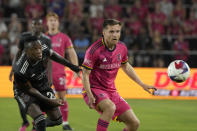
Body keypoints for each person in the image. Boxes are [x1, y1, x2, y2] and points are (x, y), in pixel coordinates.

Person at [82, 19, 157, 131]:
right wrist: (89, 94)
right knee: (110, 107)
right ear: (104, 32)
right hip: (94, 89)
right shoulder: (94, 50)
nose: (115, 34)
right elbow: (85, 74)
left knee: (134, 123)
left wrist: (142, 84)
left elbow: (126, 66)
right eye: (111, 31)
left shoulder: (122, 47)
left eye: (118, 31)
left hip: (112, 91)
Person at [13, 39, 81, 131]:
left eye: (39, 48)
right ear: (28, 51)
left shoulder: (43, 49)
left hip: (41, 84)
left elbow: (53, 56)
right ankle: (38, 123)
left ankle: (36, 126)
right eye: (35, 49)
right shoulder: (21, 70)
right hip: (24, 91)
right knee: (40, 119)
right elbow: (30, 90)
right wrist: (49, 101)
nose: (39, 51)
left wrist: (73, 67)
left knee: (57, 119)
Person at [9, 18, 53, 131]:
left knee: (39, 98)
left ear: (42, 26)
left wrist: (50, 76)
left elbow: (49, 59)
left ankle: (36, 122)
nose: (36, 26)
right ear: (31, 25)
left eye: (38, 24)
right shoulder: (24, 37)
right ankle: (25, 121)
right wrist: (12, 69)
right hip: (24, 73)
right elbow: (18, 53)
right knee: (21, 98)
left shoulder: (46, 40)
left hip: (38, 75)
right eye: (34, 24)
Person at [46, 12, 78, 130]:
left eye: (55, 20)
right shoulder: (43, 38)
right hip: (44, 74)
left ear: (58, 22)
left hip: (59, 72)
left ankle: (65, 123)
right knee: (43, 98)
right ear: (47, 23)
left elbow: (71, 53)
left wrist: (75, 67)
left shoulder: (64, 37)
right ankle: (40, 123)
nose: (53, 22)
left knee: (62, 98)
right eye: (50, 20)